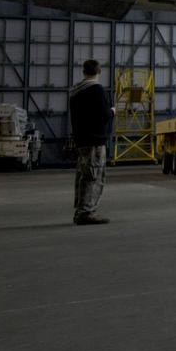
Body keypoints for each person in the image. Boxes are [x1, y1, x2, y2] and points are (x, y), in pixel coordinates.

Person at [69, 59, 113, 226]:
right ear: (99, 71)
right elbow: (103, 115)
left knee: (83, 175)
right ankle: (86, 212)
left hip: (81, 139)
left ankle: (81, 209)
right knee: (93, 175)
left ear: (83, 71)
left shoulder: (75, 91)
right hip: (94, 140)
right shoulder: (96, 89)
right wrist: (112, 111)